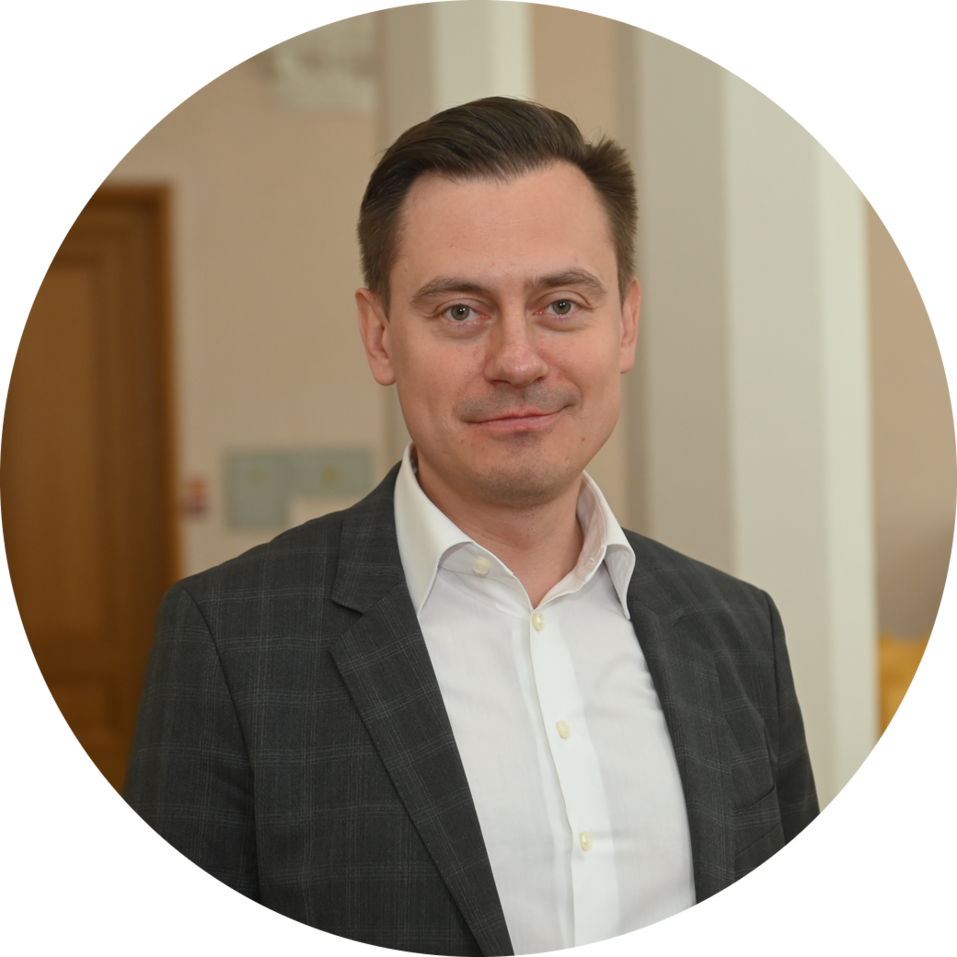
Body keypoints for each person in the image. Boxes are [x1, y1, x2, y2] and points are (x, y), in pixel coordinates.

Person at [124, 97, 818, 955]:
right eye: (460, 311)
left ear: (625, 323)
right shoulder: (231, 640)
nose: (517, 359)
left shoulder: (739, 630)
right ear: (380, 336)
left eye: (561, 303)